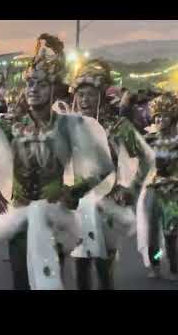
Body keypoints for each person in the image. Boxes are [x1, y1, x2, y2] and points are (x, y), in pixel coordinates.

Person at [0, 34, 114, 290]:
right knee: (20, 280)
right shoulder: (6, 124)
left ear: (53, 89)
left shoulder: (70, 126)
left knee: (51, 279)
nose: (33, 90)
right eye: (29, 84)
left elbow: (104, 166)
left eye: (41, 84)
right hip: (18, 219)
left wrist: (73, 192)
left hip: (54, 218)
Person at [70, 59, 153, 289]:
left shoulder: (117, 126)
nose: (85, 100)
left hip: (106, 204)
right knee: (79, 265)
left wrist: (128, 188)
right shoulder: (68, 126)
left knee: (103, 266)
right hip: (77, 203)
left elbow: (145, 158)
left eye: (90, 94)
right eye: (81, 95)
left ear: (101, 95)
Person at [140, 93, 178, 280]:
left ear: (173, 118)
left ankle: (173, 268)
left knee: (171, 232)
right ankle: (155, 264)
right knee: (152, 233)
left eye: (164, 116)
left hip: (173, 192)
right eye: (157, 116)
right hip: (153, 190)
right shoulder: (149, 139)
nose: (160, 119)